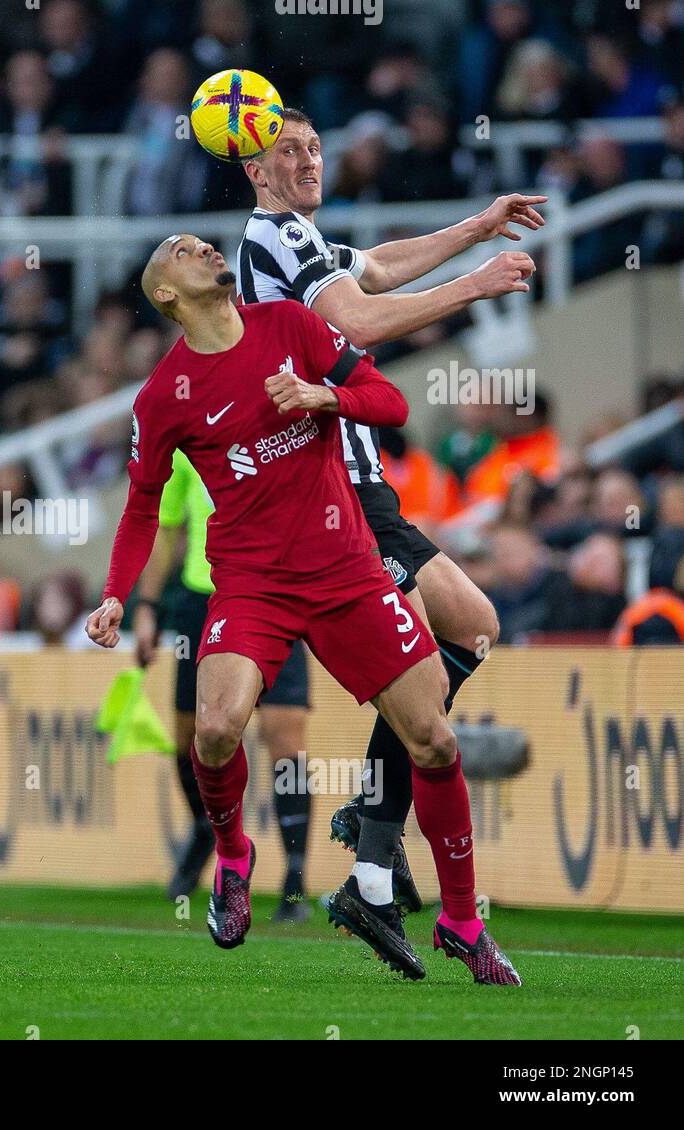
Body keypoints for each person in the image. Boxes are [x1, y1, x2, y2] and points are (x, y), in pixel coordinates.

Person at [86, 234, 521, 986]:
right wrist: (118, 596)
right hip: (252, 582)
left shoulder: (290, 324)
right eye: (182, 250)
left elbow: (389, 400)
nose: (201, 246)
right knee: (216, 728)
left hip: (347, 570)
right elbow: (142, 506)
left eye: (201, 240)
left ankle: (460, 922)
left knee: (436, 743)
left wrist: (329, 397)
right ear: (167, 296)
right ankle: (233, 857)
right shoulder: (163, 396)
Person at [237, 106, 535, 945]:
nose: (308, 161)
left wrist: (476, 228)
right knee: (454, 656)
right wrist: (475, 285)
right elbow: (359, 320)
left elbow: (373, 270)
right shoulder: (278, 237)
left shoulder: (298, 242)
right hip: (342, 496)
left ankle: (370, 856)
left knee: (459, 648)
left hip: (364, 492)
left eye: (315, 148)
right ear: (254, 169)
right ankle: (373, 851)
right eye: (287, 151)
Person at [133, 451, 313, 921]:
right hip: (201, 596)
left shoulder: (280, 427)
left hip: (273, 589)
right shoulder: (185, 439)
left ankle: (295, 880)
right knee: (191, 735)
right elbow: (166, 524)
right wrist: (149, 604)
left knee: (285, 732)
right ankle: (202, 825)